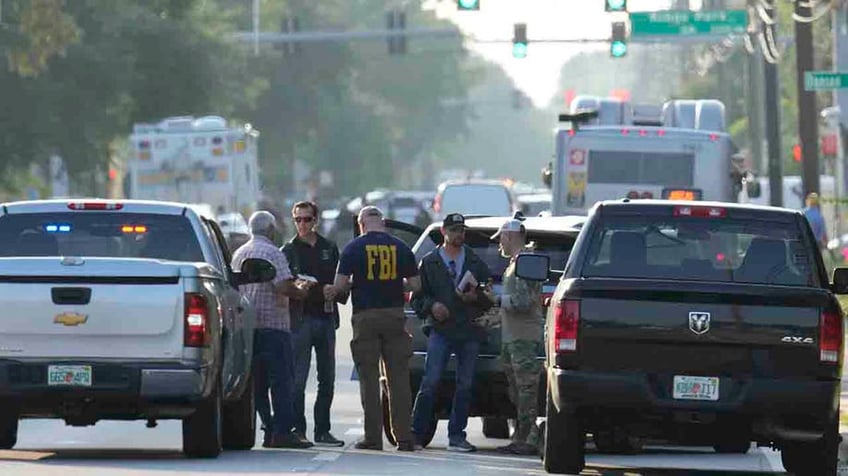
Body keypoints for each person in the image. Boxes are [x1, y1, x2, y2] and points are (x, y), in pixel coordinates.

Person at [326, 206, 421, 452]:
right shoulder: (401, 247)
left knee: (368, 378)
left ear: (361, 225)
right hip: (394, 316)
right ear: (383, 223)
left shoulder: (353, 248)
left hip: (365, 317)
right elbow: (415, 284)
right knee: (398, 378)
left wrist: (357, 285)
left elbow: (339, 285)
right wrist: (393, 285)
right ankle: (404, 437)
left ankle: (372, 437)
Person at [410, 213, 494, 452]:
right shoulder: (430, 261)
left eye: (462, 230)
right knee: (430, 382)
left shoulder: (475, 262)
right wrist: (432, 307)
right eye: (454, 230)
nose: (459, 235)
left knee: (465, 384)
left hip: (469, 330)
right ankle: (416, 434)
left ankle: (457, 435)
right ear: (444, 232)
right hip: (441, 330)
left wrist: (475, 296)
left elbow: (488, 298)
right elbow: (416, 298)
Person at [231, 211, 314, 449]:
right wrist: (303, 289)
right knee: (282, 381)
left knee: (257, 383)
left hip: (248, 327)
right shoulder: (273, 253)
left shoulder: (239, 254)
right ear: (269, 230)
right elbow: (284, 286)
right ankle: (282, 432)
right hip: (274, 326)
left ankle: (267, 427)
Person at [281, 201, 345, 447]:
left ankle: (323, 429)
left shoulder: (329, 247)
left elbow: (341, 280)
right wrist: (303, 288)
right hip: (301, 318)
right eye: (298, 220)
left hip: (326, 317)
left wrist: (336, 290)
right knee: (298, 378)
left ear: (315, 220)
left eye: (307, 219)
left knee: (327, 377)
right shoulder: (289, 250)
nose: (302, 224)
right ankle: (299, 428)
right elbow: (284, 284)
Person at [491, 218, 543, 456]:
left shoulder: (525, 263)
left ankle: (530, 438)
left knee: (526, 391)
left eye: (501, 238)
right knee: (517, 390)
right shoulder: (515, 263)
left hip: (523, 338)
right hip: (513, 338)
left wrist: (497, 300)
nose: (499, 243)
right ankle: (521, 436)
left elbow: (524, 302)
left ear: (510, 237)